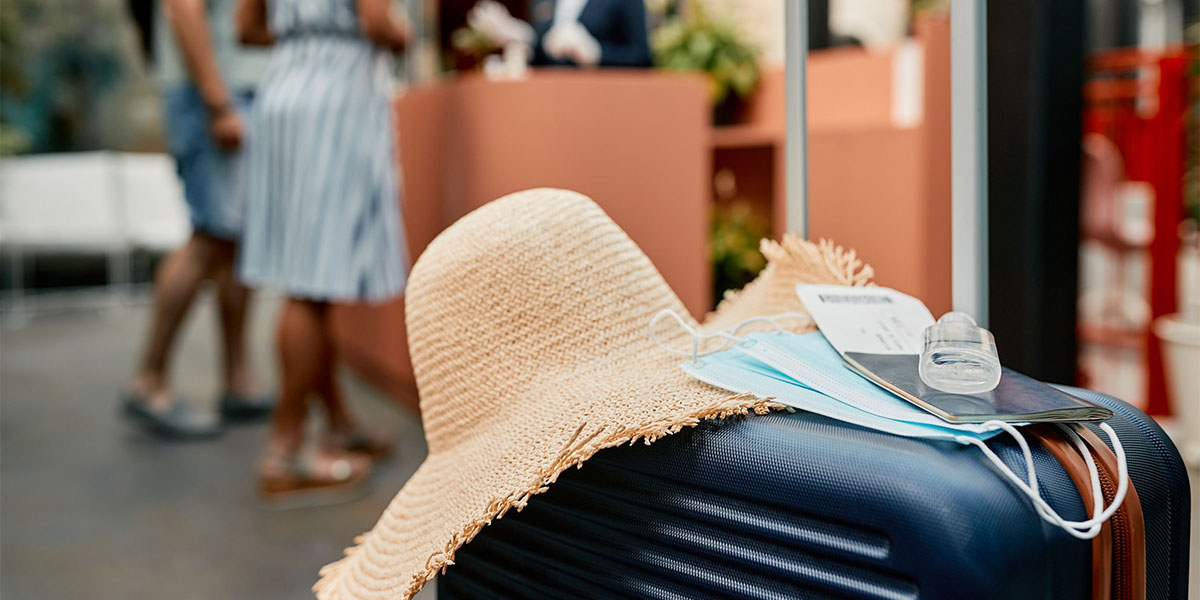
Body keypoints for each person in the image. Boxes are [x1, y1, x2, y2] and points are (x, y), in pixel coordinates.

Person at [236, 0, 410, 502]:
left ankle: (337, 423)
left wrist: (304, 38)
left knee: (309, 273)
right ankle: (285, 452)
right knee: (310, 285)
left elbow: (246, 28)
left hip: (284, 89)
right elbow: (377, 22)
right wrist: (402, 36)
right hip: (337, 99)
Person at [122, 0, 272, 439]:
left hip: (230, 91)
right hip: (212, 94)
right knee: (208, 237)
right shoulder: (214, 97)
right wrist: (218, 103)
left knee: (234, 241)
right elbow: (182, 7)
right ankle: (148, 381)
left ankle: (237, 381)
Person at [531, 0, 652, 68]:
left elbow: (642, 57)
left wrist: (598, 54)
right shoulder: (544, 2)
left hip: (603, 95)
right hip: (552, 93)